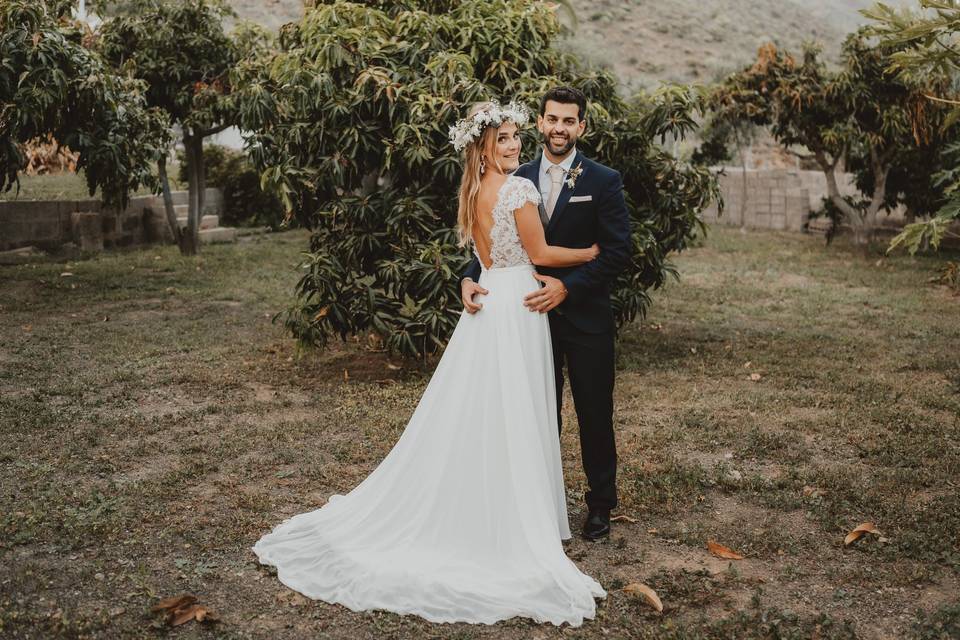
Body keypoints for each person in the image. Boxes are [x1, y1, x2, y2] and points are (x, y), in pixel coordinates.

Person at [252, 100, 606, 626]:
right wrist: (588, 253)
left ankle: (500, 505)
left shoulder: (475, 188)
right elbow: (542, 253)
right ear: (484, 146)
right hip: (514, 306)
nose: (515, 145)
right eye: (504, 138)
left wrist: (473, 278)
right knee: (515, 407)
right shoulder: (519, 187)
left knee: (488, 408)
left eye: (514, 136)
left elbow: (488, 255)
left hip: (491, 303)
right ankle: (511, 519)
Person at [461, 86, 631, 541]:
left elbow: (616, 253)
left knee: (595, 412)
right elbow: (495, 241)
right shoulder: (517, 174)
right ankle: (538, 503)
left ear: (581, 127)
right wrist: (467, 275)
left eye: (568, 121)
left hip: (584, 317)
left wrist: (567, 288)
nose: (559, 128)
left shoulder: (602, 180)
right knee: (535, 414)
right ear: (540, 122)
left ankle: (600, 505)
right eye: (551, 119)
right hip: (524, 319)